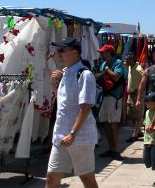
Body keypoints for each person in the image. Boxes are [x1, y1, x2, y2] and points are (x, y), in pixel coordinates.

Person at [46, 37, 98, 188]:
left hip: (79, 137)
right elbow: (65, 102)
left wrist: (73, 133)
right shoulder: (65, 73)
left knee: (87, 178)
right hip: (61, 136)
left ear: (75, 53)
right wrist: (53, 85)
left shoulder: (84, 75)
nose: (58, 54)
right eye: (58, 50)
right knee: (51, 177)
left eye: (62, 50)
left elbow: (85, 107)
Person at [96, 44, 125, 161]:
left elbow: (117, 77)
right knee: (106, 123)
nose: (101, 54)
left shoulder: (117, 63)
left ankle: (116, 150)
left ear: (109, 53)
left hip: (114, 96)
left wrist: (107, 70)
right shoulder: (103, 64)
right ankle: (111, 148)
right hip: (105, 95)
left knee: (113, 124)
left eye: (103, 52)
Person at [124, 53, 145, 143]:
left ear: (132, 60)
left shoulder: (139, 69)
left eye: (127, 59)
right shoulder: (129, 67)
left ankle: (135, 134)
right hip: (130, 94)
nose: (126, 61)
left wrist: (139, 97)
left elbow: (144, 81)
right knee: (131, 115)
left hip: (137, 94)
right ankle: (139, 131)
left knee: (138, 116)